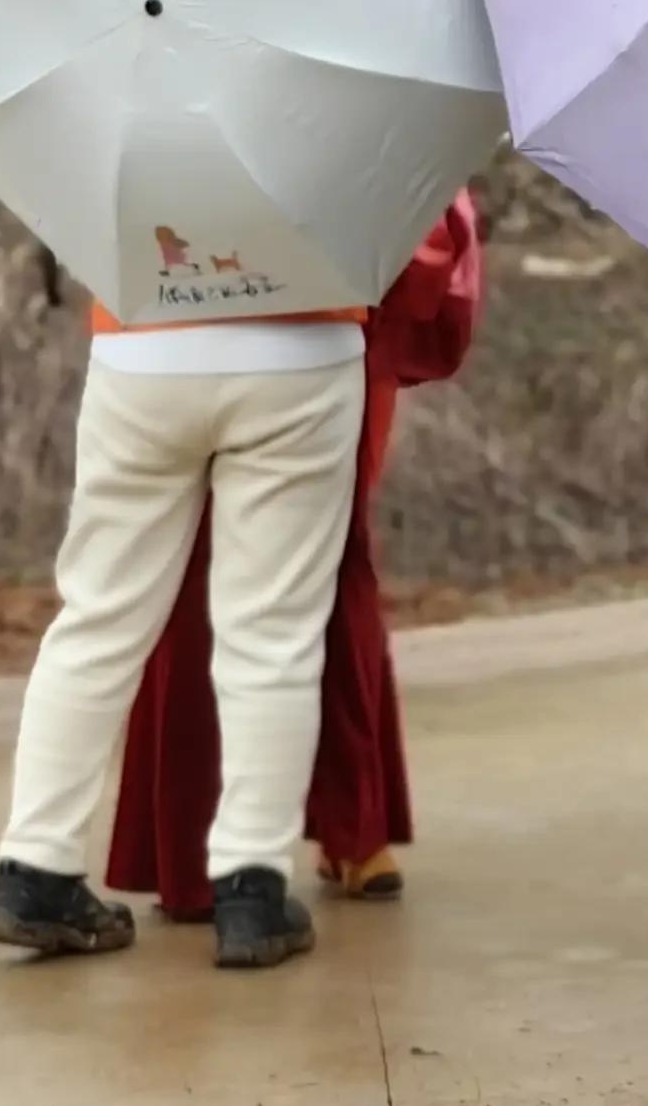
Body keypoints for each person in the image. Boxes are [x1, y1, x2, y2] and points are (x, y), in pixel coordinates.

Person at [0, 241, 376, 972]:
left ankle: (35, 869)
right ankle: (252, 892)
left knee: (96, 619)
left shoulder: (120, 117)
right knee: (273, 633)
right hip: (303, 347)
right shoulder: (339, 117)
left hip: (145, 345)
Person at [109, 189, 484, 917]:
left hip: (194, 322)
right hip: (334, 319)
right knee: (329, 560)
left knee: (199, 570)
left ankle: (195, 855)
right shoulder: (370, 79)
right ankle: (355, 830)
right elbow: (426, 202)